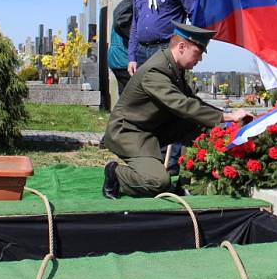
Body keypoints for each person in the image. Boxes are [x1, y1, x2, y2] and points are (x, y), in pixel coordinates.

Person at [102, 22, 252, 198]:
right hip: (129, 132)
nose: (200, 59)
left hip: (150, 129)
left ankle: (186, 182)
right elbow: (182, 105)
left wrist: (228, 118)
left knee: (198, 125)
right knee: (157, 182)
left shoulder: (172, 67)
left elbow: (192, 101)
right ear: (182, 47)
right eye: (198, 53)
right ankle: (115, 173)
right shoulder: (156, 71)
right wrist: (227, 116)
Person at [128, 0, 196, 172]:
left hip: (168, 51)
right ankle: (150, 158)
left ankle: (172, 162)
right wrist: (131, 57)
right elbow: (135, 26)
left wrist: (189, 47)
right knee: (148, 106)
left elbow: (195, 13)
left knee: (170, 104)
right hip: (143, 52)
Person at [107, 0, 134, 95]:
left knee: (123, 92)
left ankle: (120, 111)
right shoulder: (128, 16)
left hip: (115, 57)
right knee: (130, 94)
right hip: (124, 57)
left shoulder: (121, 10)